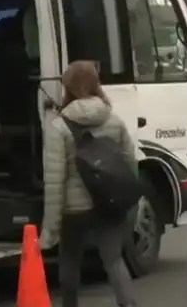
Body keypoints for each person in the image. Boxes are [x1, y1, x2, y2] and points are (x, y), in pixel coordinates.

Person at [40, 60, 138, 307]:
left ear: (68, 88)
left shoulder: (59, 126)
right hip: (108, 202)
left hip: (74, 210)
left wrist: (50, 229)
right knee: (114, 260)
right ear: (96, 84)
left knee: (70, 260)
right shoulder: (113, 120)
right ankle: (129, 304)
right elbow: (129, 164)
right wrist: (128, 203)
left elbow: (55, 180)